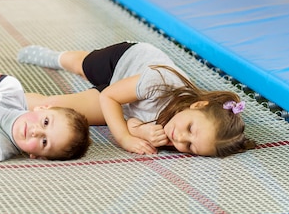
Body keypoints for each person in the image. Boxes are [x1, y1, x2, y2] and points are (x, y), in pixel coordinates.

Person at [17, 41, 255, 157]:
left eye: (190, 147)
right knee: (83, 65)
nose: (180, 139)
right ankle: (56, 56)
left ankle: (1, 102)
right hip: (122, 63)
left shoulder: (172, 136)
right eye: (190, 128)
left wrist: (139, 132)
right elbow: (110, 96)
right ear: (198, 105)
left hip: (127, 104)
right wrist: (124, 138)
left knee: (57, 108)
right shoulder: (161, 81)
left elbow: (133, 121)